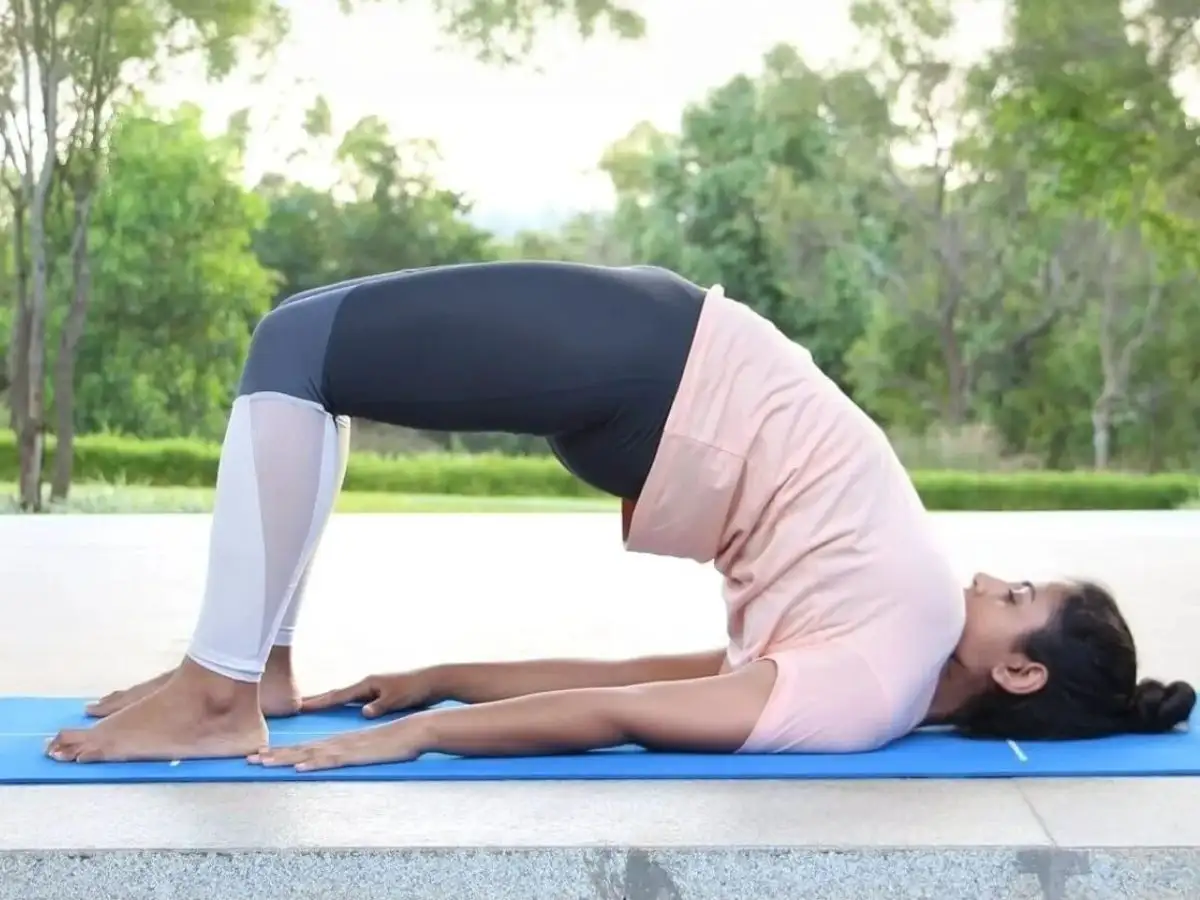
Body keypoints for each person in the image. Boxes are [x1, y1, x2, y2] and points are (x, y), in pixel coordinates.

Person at [46, 262, 1195, 768]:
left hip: (661, 366)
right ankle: (259, 671)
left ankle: (219, 689)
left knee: (295, 346)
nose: (994, 580)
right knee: (309, 351)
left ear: (1025, 672)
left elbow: (620, 714)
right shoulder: (880, 661)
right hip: (662, 376)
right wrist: (441, 674)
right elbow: (644, 672)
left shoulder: (873, 682)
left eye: (1020, 599)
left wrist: (421, 736)